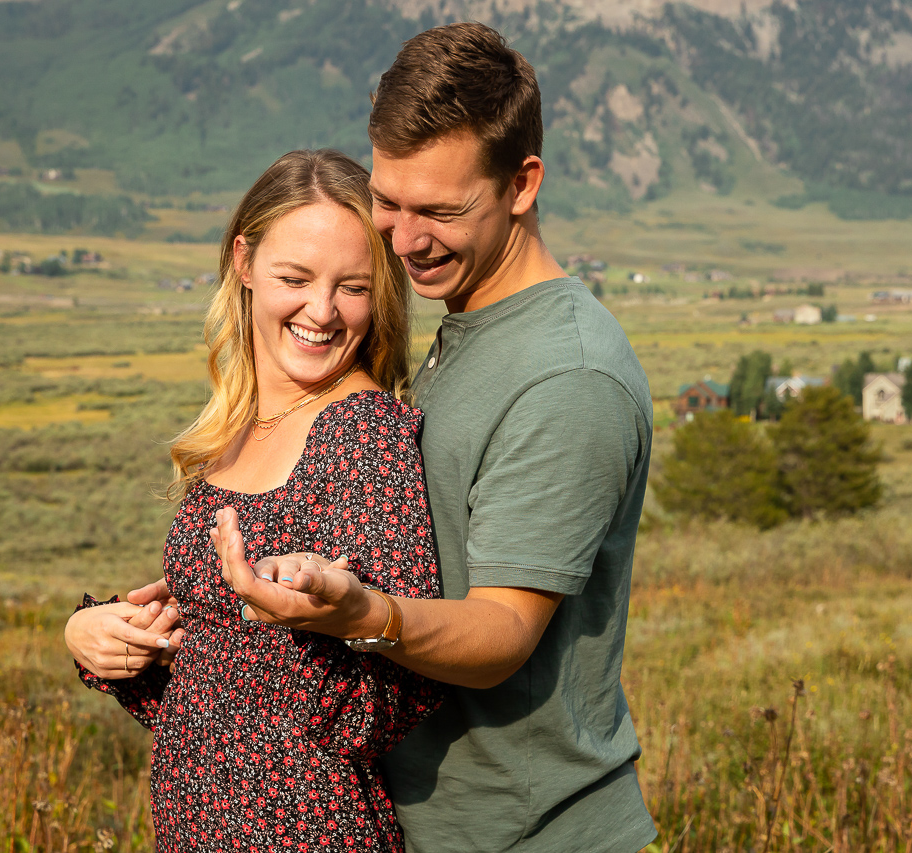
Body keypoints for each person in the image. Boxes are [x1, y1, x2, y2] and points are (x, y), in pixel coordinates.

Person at [206, 23, 658, 853]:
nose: (404, 240)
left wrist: (362, 613)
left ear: (523, 185)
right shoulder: (468, 327)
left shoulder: (568, 376)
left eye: (441, 211)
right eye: (388, 200)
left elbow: (500, 635)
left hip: (533, 834)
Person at [63, 149, 443, 853]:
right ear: (244, 261)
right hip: (198, 821)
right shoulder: (236, 428)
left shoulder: (364, 433)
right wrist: (98, 638)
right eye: (294, 278)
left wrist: (327, 615)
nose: (322, 311)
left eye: (353, 287)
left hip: (306, 831)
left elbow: (402, 690)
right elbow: (214, 688)